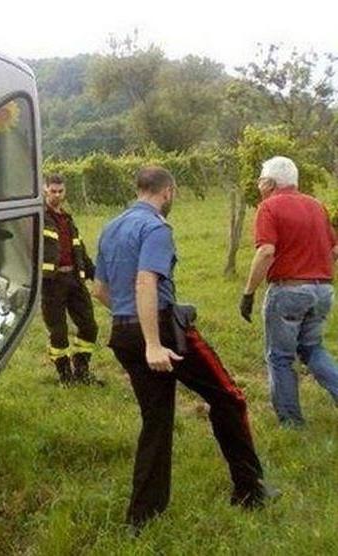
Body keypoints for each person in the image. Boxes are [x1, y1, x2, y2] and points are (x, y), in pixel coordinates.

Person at [92, 166, 273, 531]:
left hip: (123, 331)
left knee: (156, 423)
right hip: (163, 333)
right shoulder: (156, 227)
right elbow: (146, 281)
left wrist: (130, 320)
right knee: (228, 397)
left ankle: (142, 518)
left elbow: (99, 290)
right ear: (168, 191)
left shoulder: (110, 228)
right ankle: (250, 490)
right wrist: (154, 343)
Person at [240, 156, 338, 427]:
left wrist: (248, 293)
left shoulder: (269, 207)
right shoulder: (317, 206)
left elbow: (266, 251)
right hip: (323, 290)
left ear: (270, 182)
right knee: (312, 348)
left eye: (261, 179)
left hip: (289, 291)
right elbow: (334, 250)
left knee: (280, 357)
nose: (259, 184)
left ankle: (291, 422)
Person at [41, 173, 100, 386]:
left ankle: (82, 370)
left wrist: (96, 274)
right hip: (51, 283)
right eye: (53, 191)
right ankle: (65, 376)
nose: (57, 195)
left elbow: (80, 252)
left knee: (89, 327)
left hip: (75, 280)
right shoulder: (38, 218)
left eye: (60, 191)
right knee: (58, 332)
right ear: (44, 190)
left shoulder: (68, 219)